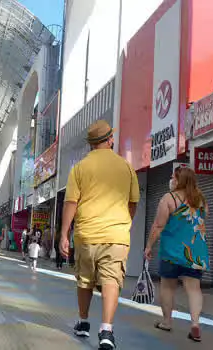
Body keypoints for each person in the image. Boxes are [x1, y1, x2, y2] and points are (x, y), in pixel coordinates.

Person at [59, 120, 139, 350]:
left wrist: (64, 234)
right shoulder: (126, 167)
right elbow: (132, 203)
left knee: (84, 280)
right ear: (110, 139)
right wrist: (122, 224)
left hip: (86, 235)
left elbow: (71, 202)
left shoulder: (80, 168)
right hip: (116, 236)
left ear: (91, 144)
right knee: (111, 280)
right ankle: (106, 331)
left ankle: (84, 323)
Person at [144, 167, 209, 342]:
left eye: (173, 177)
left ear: (179, 180)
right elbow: (203, 219)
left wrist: (149, 246)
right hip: (195, 253)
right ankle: (195, 324)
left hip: (172, 251)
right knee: (194, 288)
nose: (171, 179)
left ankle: (167, 321)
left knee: (167, 286)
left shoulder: (169, 198)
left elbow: (158, 226)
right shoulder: (201, 199)